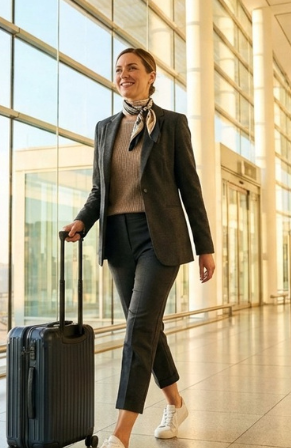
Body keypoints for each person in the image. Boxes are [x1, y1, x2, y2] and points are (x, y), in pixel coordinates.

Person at [63, 48, 216, 448]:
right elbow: (100, 189)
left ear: (152, 76)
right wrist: (83, 219)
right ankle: (176, 403)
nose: (123, 74)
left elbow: (190, 189)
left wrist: (205, 246)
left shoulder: (172, 124)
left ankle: (121, 433)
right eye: (118, 69)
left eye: (132, 68)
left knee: (138, 327)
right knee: (148, 327)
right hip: (119, 238)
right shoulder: (104, 128)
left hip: (159, 238)